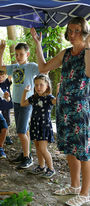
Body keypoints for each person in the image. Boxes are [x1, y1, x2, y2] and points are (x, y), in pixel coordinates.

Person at [31, 17, 90, 206]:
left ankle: (85, 192)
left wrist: (88, 46)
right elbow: (43, 68)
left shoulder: (88, 52)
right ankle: (74, 186)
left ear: (85, 32)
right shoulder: (65, 54)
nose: (72, 35)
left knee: (83, 152)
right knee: (71, 150)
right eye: (70, 31)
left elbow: (89, 73)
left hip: (81, 110)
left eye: (77, 31)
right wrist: (38, 44)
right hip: (64, 110)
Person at [0, 41, 40, 169]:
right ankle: (25, 154)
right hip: (16, 102)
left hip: (27, 102)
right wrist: (1, 50)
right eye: (16, 54)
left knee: (21, 131)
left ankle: (28, 158)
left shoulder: (31, 66)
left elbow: (44, 68)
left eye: (21, 54)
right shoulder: (14, 67)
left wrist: (38, 44)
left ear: (27, 54)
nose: (18, 57)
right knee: (24, 130)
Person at [21, 74, 56, 178]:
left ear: (47, 86)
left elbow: (57, 102)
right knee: (37, 147)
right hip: (35, 125)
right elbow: (23, 103)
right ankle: (41, 166)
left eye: (41, 84)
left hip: (44, 126)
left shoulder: (49, 98)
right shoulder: (34, 97)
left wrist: (59, 91)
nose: (38, 87)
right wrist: (25, 92)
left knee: (43, 148)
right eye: (36, 85)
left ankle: (51, 169)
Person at [0, 69, 13, 145]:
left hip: (6, 106)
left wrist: (3, 67)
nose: (1, 78)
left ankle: (7, 136)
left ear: (5, 76)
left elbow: (10, 72)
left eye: (2, 76)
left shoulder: (7, 82)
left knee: (6, 122)